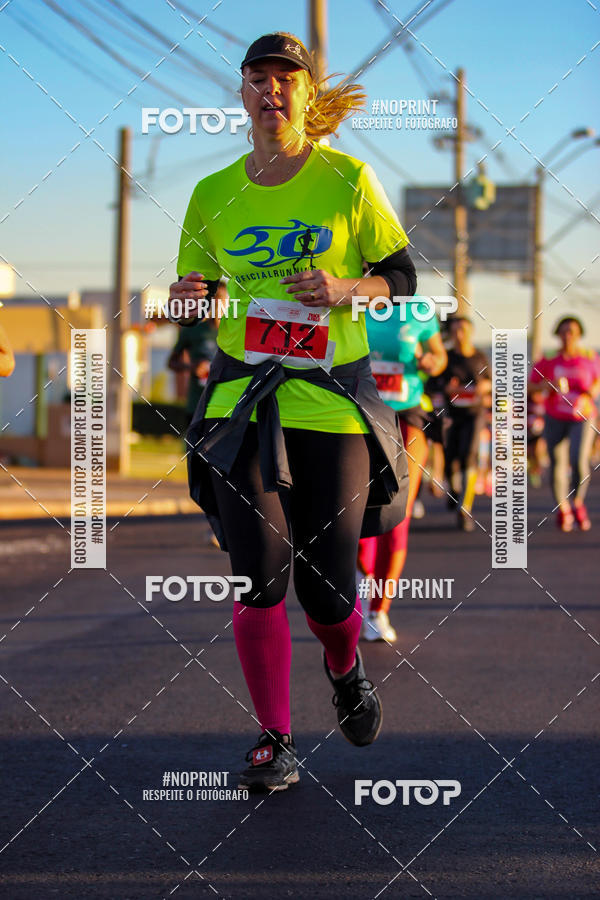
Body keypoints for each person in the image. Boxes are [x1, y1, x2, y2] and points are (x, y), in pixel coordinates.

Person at [169, 32, 416, 791]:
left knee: (330, 592)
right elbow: (195, 289)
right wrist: (190, 299)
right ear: (241, 94)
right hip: (245, 399)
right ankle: (275, 740)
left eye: (286, 79)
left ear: (308, 95)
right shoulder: (212, 193)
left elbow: (401, 276)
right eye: (257, 79)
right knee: (258, 579)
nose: (271, 90)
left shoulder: (347, 178)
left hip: (332, 402)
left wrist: (348, 289)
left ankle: (345, 670)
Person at [357, 300, 447, 641]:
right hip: (356, 417)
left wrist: (431, 361)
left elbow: (438, 356)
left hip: (405, 418)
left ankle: (379, 609)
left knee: (398, 513)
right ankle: (360, 586)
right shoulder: (349, 301)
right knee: (355, 511)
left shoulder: (420, 312)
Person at [530, 316, 600, 531]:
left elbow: (597, 382)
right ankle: (563, 508)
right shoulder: (549, 358)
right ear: (558, 334)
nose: (568, 335)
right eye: (564, 331)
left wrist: (591, 392)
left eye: (572, 331)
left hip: (582, 416)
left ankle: (577, 501)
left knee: (579, 460)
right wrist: (546, 386)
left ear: (579, 334)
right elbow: (531, 386)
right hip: (555, 415)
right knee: (557, 463)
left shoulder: (589, 356)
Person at [441, 316, 491, 531]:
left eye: (463, 329)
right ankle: (453, 488)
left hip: (474, 414)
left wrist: (484, 388)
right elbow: (435, 382)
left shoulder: (479, 357)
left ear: (471, 331)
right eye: (455, 330)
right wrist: (447, 388)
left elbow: (490, 381)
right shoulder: (446, 357)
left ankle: (465, 507)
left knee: (468, 455)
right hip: (451, 414)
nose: (460, 334)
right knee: (450, 456)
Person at [168, 280, 226, 425]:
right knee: (196, 447)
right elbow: (172, 362)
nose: (218, 301)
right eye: (214, 297)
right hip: (197, 405)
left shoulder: (239, 332)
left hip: (227, 406)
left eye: (222, 297)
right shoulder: (193, 330)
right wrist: (192, 367)